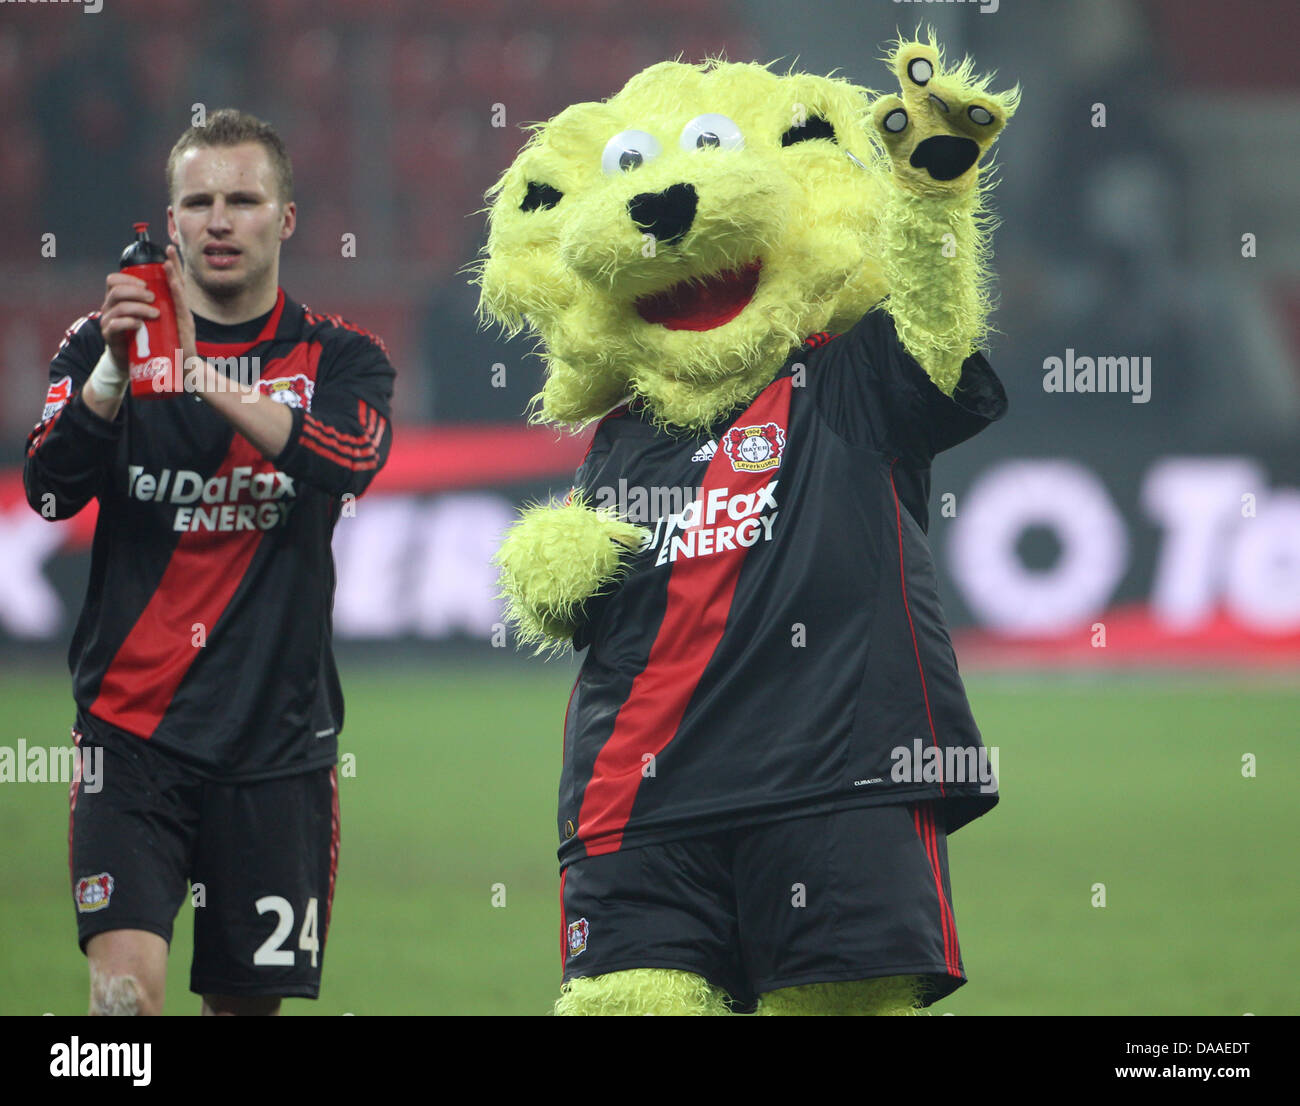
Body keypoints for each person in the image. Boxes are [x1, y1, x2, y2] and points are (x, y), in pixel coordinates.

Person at [23, 109, 395, 1015]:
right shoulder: (101, 345)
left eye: (243, 199)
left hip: (277, 752)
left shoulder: (342, 357)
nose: (220, 220)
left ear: (287, 219)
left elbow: (347, 461)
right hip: (131, 741)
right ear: (173, 219)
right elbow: (48, 493)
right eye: (199, 201)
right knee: (125, 1006)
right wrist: (115, 376)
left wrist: (203, 376)